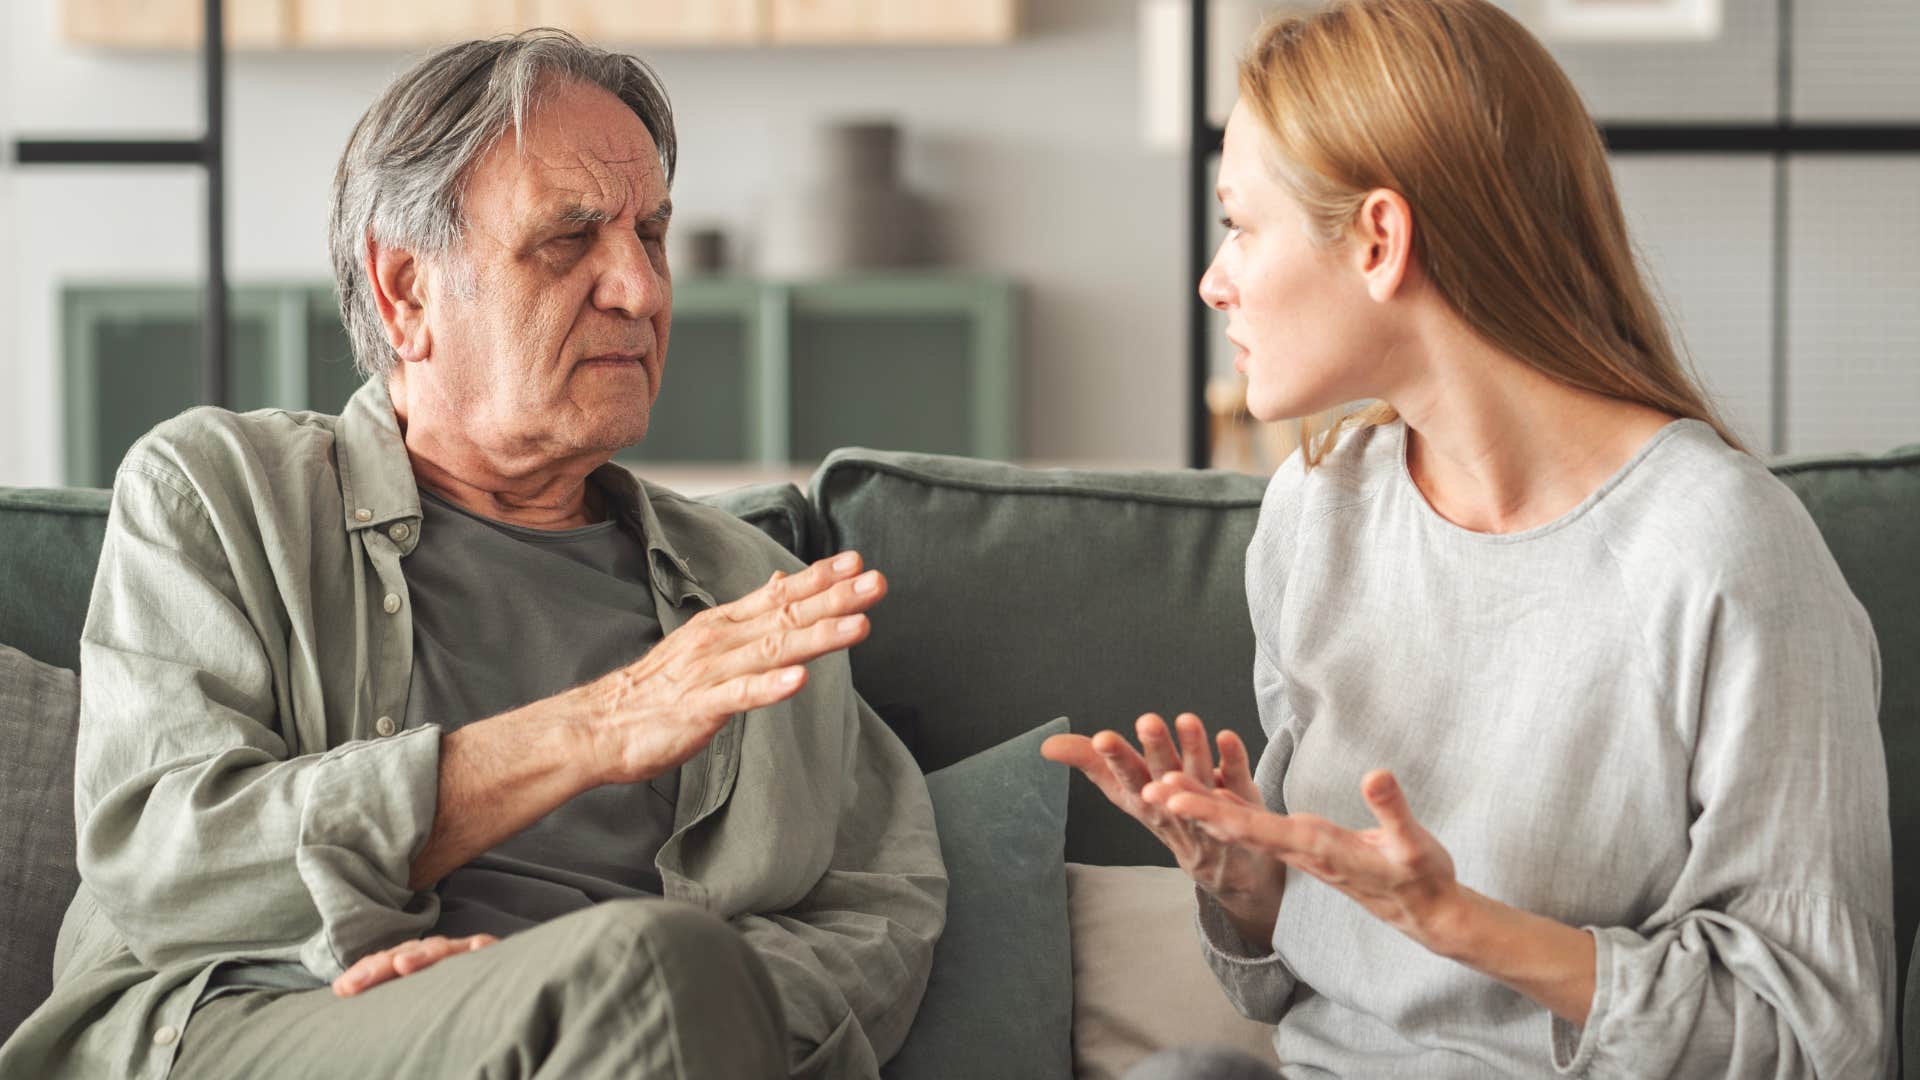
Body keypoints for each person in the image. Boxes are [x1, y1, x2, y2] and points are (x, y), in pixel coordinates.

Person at [0, 30, 944, 1080]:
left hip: (622, 1044)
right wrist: (600, 723)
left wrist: (599, 1002)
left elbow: (875, 916)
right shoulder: (221, 495)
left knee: (649, 973)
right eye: (568, 240)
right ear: (406, 291)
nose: (638, 287)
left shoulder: (747, 590)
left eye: (651, 235)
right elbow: (168, 864)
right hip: (256, 1026)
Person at [1045, 1, 1894, 1076]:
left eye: (1240, 224)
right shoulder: (1317, 513)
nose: (1214, 279)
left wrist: (1465, 927)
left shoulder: (1723, 553)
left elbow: (1822, 1037)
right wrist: (1252, 888)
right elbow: (1289, 994)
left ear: (1379, 240)